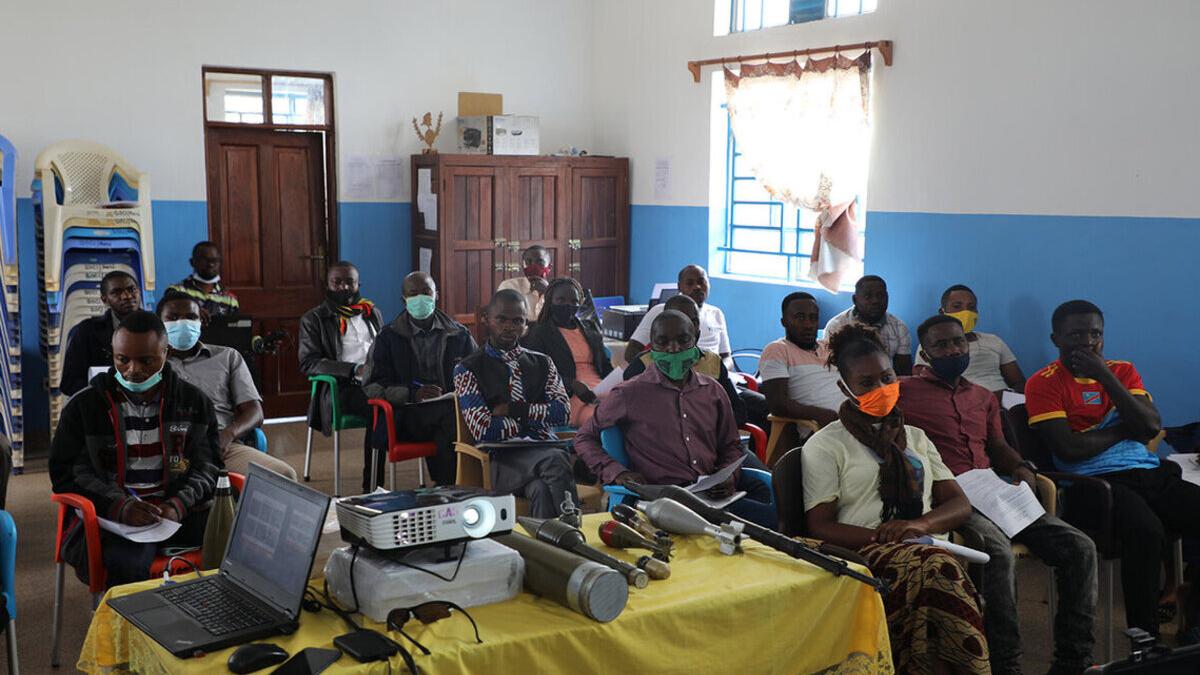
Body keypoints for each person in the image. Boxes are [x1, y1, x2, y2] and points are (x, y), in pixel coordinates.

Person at [900, 314, 1097, 675]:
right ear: (925, 354)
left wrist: (1022, 465)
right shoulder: (903, 391)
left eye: (958, 342)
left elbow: (997, 446)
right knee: (997, 554)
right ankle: (1005, 663)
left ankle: (1073, 659)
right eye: (941, 345)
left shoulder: (982, 397)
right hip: (949, 495)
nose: (952, 349)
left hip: (993, 489)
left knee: (1080, 547)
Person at [801, 324, 989, 673]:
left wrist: (919, 524)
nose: (882, 389)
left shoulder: (916, 438)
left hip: (928, 544)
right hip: (865, 551)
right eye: (867, 383)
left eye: (888, 378)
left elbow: (959, 504)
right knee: (937, 568)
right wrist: (888, 535)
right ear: (845, 388)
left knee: (935, 565)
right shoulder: (826, 445)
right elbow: (820, 525)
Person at [1027, 299, 1200, 638]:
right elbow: (1071, 449)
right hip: (1092, 484)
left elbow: (1150, 427)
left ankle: (1194, 620)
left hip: (1146, 472)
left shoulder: (1122, 370)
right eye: (1076, 334)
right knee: (1147, 532)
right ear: (1056, 339)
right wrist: (1125, 428)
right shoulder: (1043, 382)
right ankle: (1144, 639)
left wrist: (1105, 376)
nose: (1087, 343)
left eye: (1095, 334)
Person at [49, 310, 219, 587]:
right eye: (122, 360)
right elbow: (67, 473)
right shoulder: (85, 407)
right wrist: (120, 506)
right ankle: (132, 628)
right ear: (113, 356)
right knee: (127, 567)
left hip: (179, 512)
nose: (133, 370)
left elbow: (208, 466)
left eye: (146, 360)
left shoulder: (193, 403)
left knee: (239, 545)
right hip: (113, 519)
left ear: (166, 353)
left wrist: (179, 504)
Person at [577, 309, 776, 527]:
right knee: (760, 528)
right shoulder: (629, 393)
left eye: (683, 340)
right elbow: (584, 438)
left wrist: (728, 476)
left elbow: (731, 445)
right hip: (665, 498)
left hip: (711, 494)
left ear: (696, 340)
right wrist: (618, 472)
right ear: (651, 346)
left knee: (777, 509)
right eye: (663, 342)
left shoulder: (712, 390)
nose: (674, 350)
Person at [453, 290, 577, 518]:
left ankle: (547, 550)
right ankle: (574, 533)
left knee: (540, 489)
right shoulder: (468, 369)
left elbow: (562, 413)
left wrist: (515, 411)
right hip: (501, 461)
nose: (509, 327)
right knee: (557, 459)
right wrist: (534, 421)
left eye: (517, 321)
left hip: (540, 451)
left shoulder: (543, 363)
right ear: (487, 320)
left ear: (526, 325)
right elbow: (484, 429)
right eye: (502, 319)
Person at [158, 291, 297, 480]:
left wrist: (228, 435)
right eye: (173, 318)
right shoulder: (148, 363)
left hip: (220, 445)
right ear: (159, 323)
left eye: (191, 317)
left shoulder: (227, 357)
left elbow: (255, 412)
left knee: (283, 476)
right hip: (166, 449)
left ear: (201, 321)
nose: (182, 323)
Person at [363, 271, 475, 489]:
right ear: (403, 299)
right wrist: (412, 394)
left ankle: (445, 491)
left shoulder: (458, 334)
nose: (421, 298)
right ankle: (453, 489)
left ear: (436, 295)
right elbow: (371, 385)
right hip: (406, 415)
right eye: (413, 294)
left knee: (447, 429)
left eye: (427, 292)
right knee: (452, 422)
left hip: (448, 411)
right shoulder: (388, 337)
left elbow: (476, 374)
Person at [298, 261, 381, 488]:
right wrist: (353, 370)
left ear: (358, 284)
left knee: (405, 399)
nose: (344, 287)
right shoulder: (313, 319)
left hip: (377, 382)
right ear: (328, 284)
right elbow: (309, 362)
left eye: (350, 282)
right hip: (342, 388)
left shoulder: (371, 313)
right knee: (379, 408)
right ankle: (372, 487)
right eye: (338, 282)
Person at [622, 294, 747, 426]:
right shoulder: (642, 365)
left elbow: (737, 411)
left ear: (697, 331)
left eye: (690, 321)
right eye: (675, 318)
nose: (674, 348)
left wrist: (707, 426)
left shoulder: (712, 363)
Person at [521, 277, 612, 427]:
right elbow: (537, 374)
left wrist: (619, 382)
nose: (567, 305)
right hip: (568, 394)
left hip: (600, 390)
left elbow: (604, 364)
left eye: (573, 302)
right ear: (550, 301)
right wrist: (572, 384)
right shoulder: (540, 332)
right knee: (603, 418)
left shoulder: (590, 327)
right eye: (561, 300)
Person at [914, 284, 1025, 392]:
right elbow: (923, 388)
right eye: (957, 306)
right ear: (942, 312)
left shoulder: (994, 341)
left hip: (1002, 402)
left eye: (971, 307)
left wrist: (1010, 399)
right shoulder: (932, 345)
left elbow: (1018, 382)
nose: (966, 312)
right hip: (959, 405)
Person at [760, 292, 845, 428]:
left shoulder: (829, 347)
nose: (808, 324)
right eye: (800, 318)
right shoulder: (777, 350)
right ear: (784, 322)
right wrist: (820, 414)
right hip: (821, 429)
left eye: (813, 318)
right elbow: (777, 404)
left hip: (852, 419)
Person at [623, 264, 730, 364]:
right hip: (672, 374)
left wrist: (722, 371)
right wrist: (657, 371)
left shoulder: (716, 313)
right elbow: (631, 352)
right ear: (679, 286)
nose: (697, 287)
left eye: (701, 282)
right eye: (690, 283)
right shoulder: (661, 311)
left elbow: (727, 357)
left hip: (711, 374)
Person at [61, 271, 141, 395]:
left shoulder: (156, 328)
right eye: (117, 292)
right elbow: (69, 382)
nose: (127, 296)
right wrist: (102, 390)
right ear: (105, 300)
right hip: (102, 405)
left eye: (132, 289)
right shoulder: (87, 331)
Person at [823, 275, 912, 375]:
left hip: (886, 384)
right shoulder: (836, 326)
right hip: (846, 385)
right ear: (855, 299)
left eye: (880, 295)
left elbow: (904, 372)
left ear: (887, 297)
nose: (875, 301)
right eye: (868, 296)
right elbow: (830, 369)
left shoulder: (899, 327)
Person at [166, 241, 239, 322]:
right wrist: (192, 312)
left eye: (215, 260)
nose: (211, 264)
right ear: (192, 262)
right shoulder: (176, 291)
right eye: (205, 260)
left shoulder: (229, 298)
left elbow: (234, 330)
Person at [497, 244, 551, 321]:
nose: (533, 265)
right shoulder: (509, 286)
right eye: (528, 262)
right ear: (523, 266)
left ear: (549, 267)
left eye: (540, 262)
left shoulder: (556, 291)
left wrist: (547, 293)